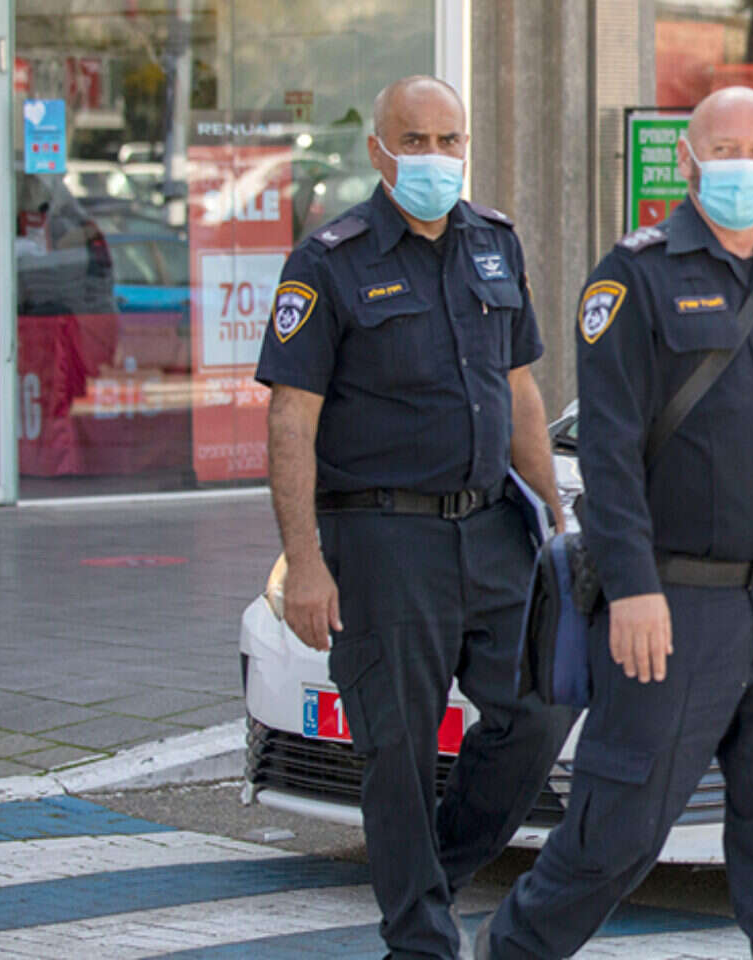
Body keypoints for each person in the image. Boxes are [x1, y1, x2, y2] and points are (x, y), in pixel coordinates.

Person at [477, 86, 753, 960]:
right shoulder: (633, 275)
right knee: (617, 830)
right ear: (687, 161)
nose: (743, 167)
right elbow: (608, 451)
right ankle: (513, 951)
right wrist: (633, 587)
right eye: (725, 150)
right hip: (675, 608)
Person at [255, 75, 573, 960]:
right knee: (395, 753)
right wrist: (306, 562)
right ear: (379, 151)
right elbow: (291, 419)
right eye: (417, 139)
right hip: (384, 540)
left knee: (539, 712)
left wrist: (553, 508)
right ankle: (420, 939)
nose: (436, 157)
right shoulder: (330, 260)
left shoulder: (495, 243)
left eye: (450, 140)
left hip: (495, 531)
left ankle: (428, 872)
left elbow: (520, 393)